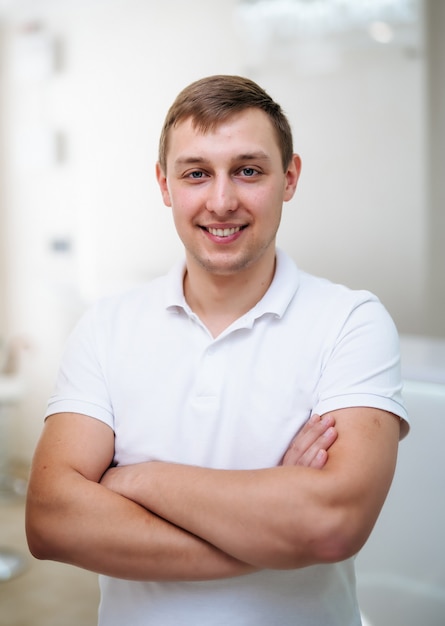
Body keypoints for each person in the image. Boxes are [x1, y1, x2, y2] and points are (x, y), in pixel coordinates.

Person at [25, 75, 409, 626]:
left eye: (248, 170)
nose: (222, 201)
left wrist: (137, 479)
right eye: (197, 173)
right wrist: (273, 530)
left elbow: (331, 524)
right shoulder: (106, 327)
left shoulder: (351, 321)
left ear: (289, 177)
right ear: (164, 184)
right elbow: (50, 520)